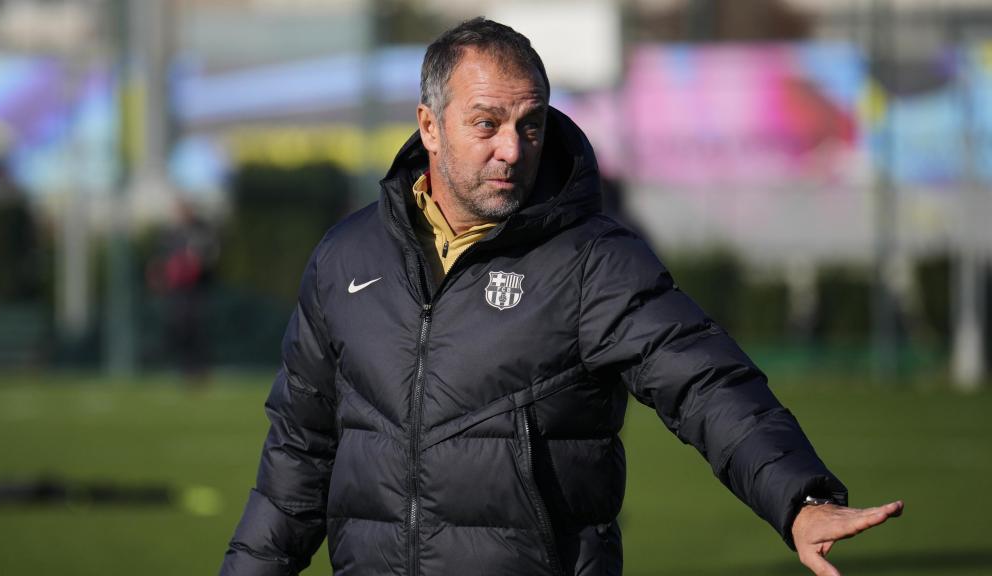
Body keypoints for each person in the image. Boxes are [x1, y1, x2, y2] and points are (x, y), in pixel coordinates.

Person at [221, 18, 902, 576]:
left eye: (530, 125)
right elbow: (299, 455)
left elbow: (705, 383)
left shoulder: (593, 260)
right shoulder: (346, 258)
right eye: (486, 124)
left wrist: (799, 498)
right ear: (429, 126)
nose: (513, 149)